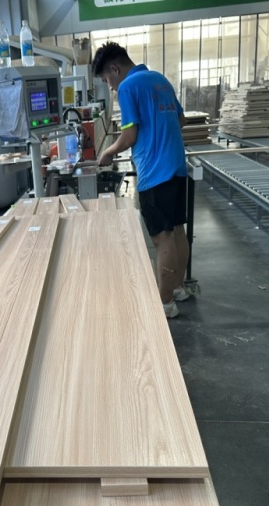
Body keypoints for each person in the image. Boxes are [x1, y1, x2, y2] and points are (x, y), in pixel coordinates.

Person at [93, 42, 189, 319]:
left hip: (155, 173)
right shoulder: (159, 80)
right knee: (177, 230)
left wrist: (108, 153)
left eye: (107, 80)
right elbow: (180, 120)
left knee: (162, 238)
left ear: (115, 69)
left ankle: (165, 303)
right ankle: (178, 288)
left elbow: (129, 136)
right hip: (176, 166)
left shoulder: (127, 87)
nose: (110, 87)